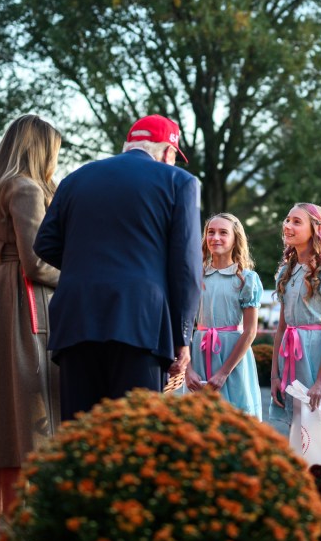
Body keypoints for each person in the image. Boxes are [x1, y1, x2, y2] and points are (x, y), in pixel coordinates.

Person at [36, 113, 202, 421]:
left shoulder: (75, 179)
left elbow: (44, 243)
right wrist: (182, 337)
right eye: (174, 157)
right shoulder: (180, 182)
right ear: (167, 151)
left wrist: (83, 266)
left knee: (80, 435)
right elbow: (186, 268)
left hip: (77, 318)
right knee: (132, 437)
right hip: (140, 321)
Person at [0, 114, 67, 515]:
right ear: (40, 148)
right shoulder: (26, 188)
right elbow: (36, 264)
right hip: (26, 300)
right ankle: (31, 520)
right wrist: (80, 280)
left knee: (0, 407)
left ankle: (2, 519)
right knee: (34, 402)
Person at [268, 203, 321, 425]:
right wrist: (275, 376)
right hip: (290, 355)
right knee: (296, 425)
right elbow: (282, 328)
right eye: (287, 220)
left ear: (315, 229)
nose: (288, 225)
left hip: (316, 355)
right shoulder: (286, 272)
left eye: (297, 222)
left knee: (315, 426)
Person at [185, 213, 264, 419]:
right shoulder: (195, 276)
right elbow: (183, 324)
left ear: (235, 238)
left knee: (235, 418)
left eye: (223, 232)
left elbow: (250, 331)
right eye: (211, 232)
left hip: (232, 358)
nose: (215, 238)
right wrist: (188, 369)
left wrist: (223, 373)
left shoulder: (246, 279)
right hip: (199, 354)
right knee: (199, 421)